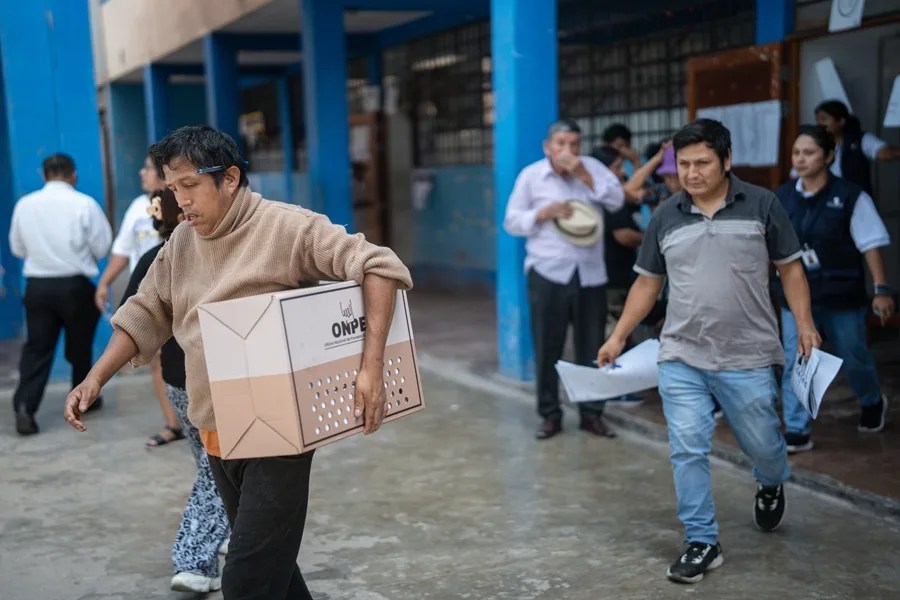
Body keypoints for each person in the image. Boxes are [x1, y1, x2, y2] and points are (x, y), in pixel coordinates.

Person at [64, 125, 412, 600]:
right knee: (275, 575)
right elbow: (146, 310)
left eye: (190, 185)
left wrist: (370, 369)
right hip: (215, 429)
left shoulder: (285, 227)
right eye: (173, 188)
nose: (181, 200)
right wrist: (95, 378)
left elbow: (378, 266)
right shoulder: (181, 243)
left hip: (281, 432)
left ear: (229, 178)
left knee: (246, 581)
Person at [597, 119, 821, 584]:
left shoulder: (762, 204)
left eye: (702, 163)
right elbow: (647, 283)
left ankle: (770, 480)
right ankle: (702, 540)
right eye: (684, 164)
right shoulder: (666, 215)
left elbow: (790, 270)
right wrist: (618, 337)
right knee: (686, 447)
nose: (692, 173)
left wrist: (804, 325)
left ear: (727, 160)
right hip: (682, 353)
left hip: (748, 354)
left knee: (765, 447)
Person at [119, 188, 231, 593]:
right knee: (218, 469)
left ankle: (232, 530)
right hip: (214, 381)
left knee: (212, 464)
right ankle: (194, 559)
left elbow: (130, 314)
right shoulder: (209, 253)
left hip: (175, 380)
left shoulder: (152, 258)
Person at [504, 118, 625, 440]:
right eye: (561, 144)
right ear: (548, 147)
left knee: (593, 347)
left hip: (590, 274)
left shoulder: (593, 169)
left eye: (574, 144)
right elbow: (511, 221)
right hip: (548, 273)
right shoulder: (531, 176)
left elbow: (617, 200)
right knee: (548, 346)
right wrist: (542, 213)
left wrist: (584, 175)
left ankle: (592, 414)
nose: (567, 150)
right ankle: (550, 414)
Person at [775, 125, 893, 452]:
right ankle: (797, 428)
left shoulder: (851, 197)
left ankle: (871, 400)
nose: (800, 159)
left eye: (809, 152)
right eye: (796, 152)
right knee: (797, 360)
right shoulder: (782, 197)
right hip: (796, 299)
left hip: (842, 295)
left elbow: (870, 245)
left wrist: (882, 289)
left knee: (853, 356)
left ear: (828, 156)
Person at [8, 153, 112, 435]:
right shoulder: (85, 204)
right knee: (79, 348)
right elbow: (102, 246)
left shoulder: (25, 205)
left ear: (43, 175)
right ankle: (83, 402)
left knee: (37, 348)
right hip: (75, 287)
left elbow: (17, 248)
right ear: (73, 174)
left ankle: (25, 408)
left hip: (38, 287)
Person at [96, 155, 182, 447]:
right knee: (158, 359)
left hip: (182, 292)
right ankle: (173, 422)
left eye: (147, 168)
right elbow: (122, 251)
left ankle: (198, 421)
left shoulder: (183, 199)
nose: (142, 172)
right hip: (150, 295)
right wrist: (104, 282)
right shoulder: (136, 207)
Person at [814, 100, 900, 194]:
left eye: (824, 119)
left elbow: (885, 153)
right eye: (817, 119)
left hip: (855, 198)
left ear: (841, 121)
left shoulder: (861, 140)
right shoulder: (816, 143)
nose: (819, 123)